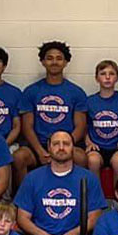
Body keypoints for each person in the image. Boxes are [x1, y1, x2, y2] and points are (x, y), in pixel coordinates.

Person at [15, 130, 103, 235]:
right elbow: (22, 218)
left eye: (66, 144)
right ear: (48, 148)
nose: (61, 147)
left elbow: (94, 217)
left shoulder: (88, 178)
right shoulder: (32, 178)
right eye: (56, 144)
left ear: (73, 148)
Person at [19, 41, 88, 175]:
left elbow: (80, 126)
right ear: (43, 62)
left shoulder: (76, 92)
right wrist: (40, 151)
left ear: (66, 62)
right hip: (38, 145)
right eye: (50, 58)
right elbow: (27, 127)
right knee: (19, 157)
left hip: (65, 144)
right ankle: (25, 189)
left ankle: (78, 189)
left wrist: (63, 147)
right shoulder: (31, 91)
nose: (54, 62)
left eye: (59, 58)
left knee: (81, 157)